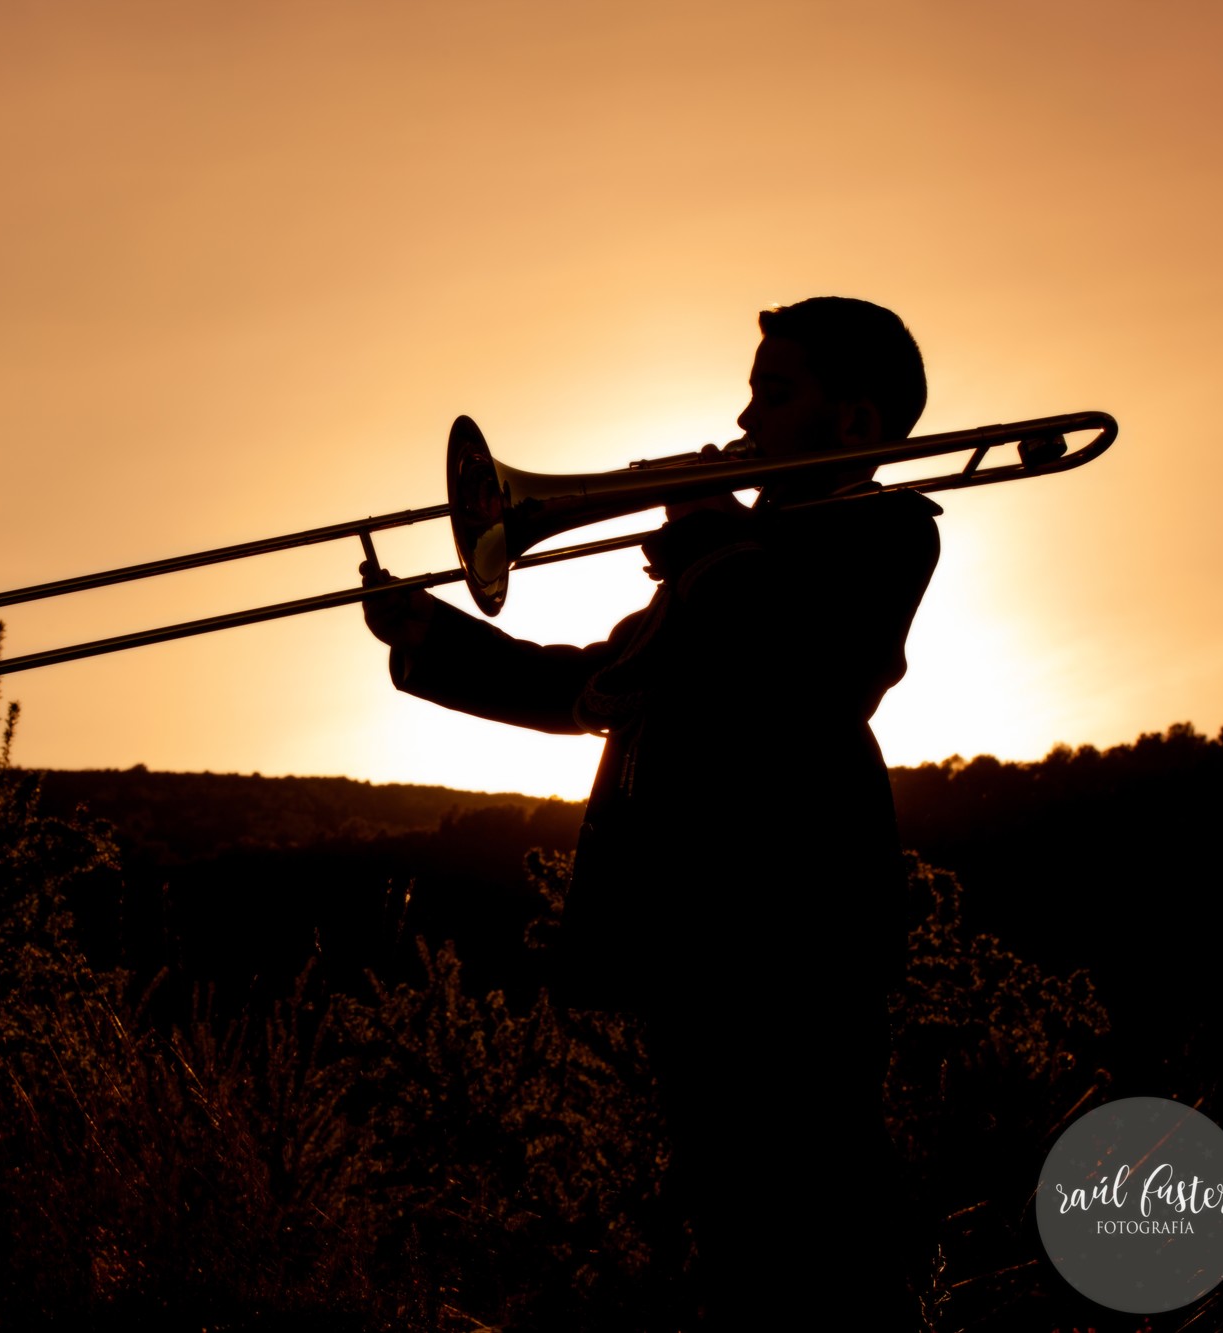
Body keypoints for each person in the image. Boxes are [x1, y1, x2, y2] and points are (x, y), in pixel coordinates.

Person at [363, 297, 938, 1325]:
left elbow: (819, 677)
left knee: (821, 1222)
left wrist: (713, 552)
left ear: (852, 422)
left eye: (777, 390)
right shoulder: (728, 559)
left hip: (798, 932)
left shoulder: (884, 531)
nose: (745, 417)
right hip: (693, 935)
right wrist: (430, 638)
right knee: (732, 1223)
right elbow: (596, 687)